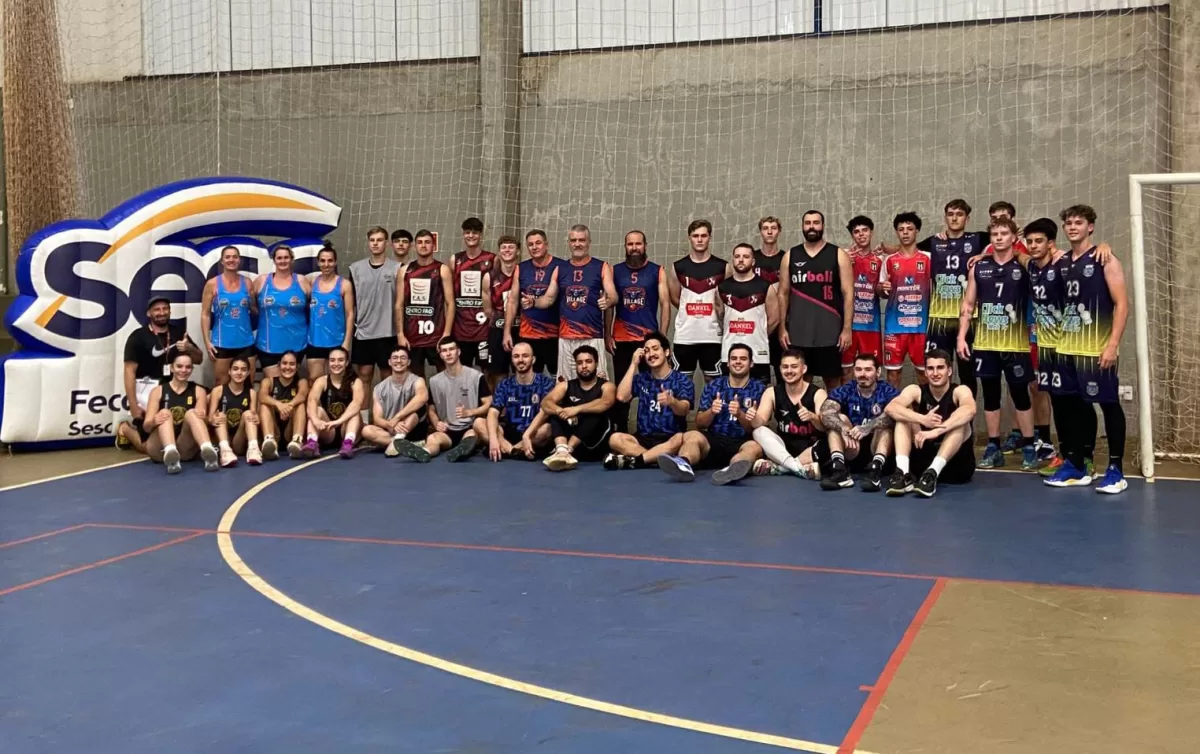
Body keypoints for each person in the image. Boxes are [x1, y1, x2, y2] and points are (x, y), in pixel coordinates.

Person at [1046, 205, 1130, 493]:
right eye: (1068, 223)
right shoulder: (1062, 262)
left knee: (1108, 404)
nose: (1072, 227)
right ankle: (1079, 465)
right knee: (1074, 406)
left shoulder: (1105, 259)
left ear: (1090, 227)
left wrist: (1113, 345)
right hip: (1067, 347)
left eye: (1078, 223)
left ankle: (1116, 470)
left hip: (1096, 347)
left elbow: (1122, 304)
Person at [957, 217, 1036, 469]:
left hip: (1015, 344)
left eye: (1004, 233)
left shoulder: (1025, 266)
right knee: (990, 395)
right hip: (986, 344)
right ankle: (993, 446)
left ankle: (1029, 445)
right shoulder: (979, 267)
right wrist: (961, 337)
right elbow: (968, 304)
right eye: (995, 234)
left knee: (1020, 394)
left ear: (1014, 237)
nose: (999, 238)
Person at [659, 344, 765, 485]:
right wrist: (712, 412)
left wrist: (740, 414)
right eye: (734, 358)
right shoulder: (714, 386)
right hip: (714, 439)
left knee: (755, 447)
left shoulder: (760, 389)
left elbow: (756, 428)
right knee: (691, 435)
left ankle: (732, 470)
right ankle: (684, 464)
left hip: (742, 440)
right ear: (728, 363)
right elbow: (699, 423)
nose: (738, 362)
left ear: (751, 363)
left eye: (743, 359)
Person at [918, 199, 990, 397]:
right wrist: (884, 249)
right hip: (939, 318)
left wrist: (984, 256)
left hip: (968, 318)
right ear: (945, 218)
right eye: (950, 214)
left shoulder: (979, 239)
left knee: (968, 372)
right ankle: (942, 411)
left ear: (967, 219)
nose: (955, 218)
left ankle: (968, 414)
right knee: (938, 370)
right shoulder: (934, 242)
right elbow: (907, 249)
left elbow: (1008, 242)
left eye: (959, 214)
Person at [884, 349, 977, 497]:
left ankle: (933, 472)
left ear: (949, 371)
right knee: (903, 416)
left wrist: (937, 430)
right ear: (925, 372)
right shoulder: (915, 390)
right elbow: (891, 408)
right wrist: (922, 419)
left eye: (940, 368)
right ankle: (903, 473)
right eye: (930, 368)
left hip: (955, 467)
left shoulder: (960, 390)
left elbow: (970, 410)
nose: (935, 373)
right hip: (922, 464)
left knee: (961, 422)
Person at [116, 296, 204, 452]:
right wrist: (133, 405)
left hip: (175, 392)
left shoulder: (179, 333)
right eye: (157, 309)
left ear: (170, 311)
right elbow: (129, 371)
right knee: (148, 447)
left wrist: (190, 348)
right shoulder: (137, 337)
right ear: (149, 313)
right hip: (148, 394)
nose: (162, 313)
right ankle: (125, 429)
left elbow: (198, 359)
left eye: (165, 309)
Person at [779, 210, 854, 390]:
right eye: (808, 223)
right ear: (802, 226)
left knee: (833, 381)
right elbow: (783, 293)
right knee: (801, 381)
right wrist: (782, 327)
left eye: (816, 222)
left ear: (823, 226)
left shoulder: (838, 254)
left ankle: (831, 410)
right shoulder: (790, 255)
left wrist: (847, 329)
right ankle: (803, 411)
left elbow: (849, 293)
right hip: (799, 332)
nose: (811, 227)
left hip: (830, 332)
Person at [537, 224, 617, 380]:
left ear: (589, 242)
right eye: (573, 240)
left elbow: (613, 296)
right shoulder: (560, 268)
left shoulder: (602, 266)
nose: (577, 244)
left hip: (592, 337)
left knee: (598, 384)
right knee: (565, 384)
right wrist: (533, 302)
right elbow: (548, 299)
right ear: (569, 243)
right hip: (566, 337)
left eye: (581, 240)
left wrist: (608, 301)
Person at [607, 230, 669, 431]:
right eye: (630, 244)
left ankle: (652, 428)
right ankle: (620, 430)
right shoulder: (614, 271)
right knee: (622, 388)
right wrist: (607, 334)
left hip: (647, 340)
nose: (634, 248)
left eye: (638, 244)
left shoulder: (657, 271)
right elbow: (609, 305)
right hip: (621, 339)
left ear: (645, 246)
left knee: (651, 386)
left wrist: (662, 336)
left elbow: (665, 304)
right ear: (625, 247)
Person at [605, 332, 694, 470]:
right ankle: (654, 459)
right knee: (615, 439)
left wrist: (672, 402)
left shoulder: (682, 380)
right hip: (644, 438)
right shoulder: (642, 378)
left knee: (681, 439)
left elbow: (684, 410)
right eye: (646, 351)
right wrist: (633, 364)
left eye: (655, 349)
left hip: (670, 438)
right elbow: (622, 397)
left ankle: (640, 460)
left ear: (667, 352)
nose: (651, 354)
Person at [1024, 218, 1068, 475]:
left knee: (1070, 400)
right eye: (1029, 241)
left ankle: (1077, 456)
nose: (1033, 245)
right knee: (1047, 393)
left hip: (1065, 343)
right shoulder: (1031, 266)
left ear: (1051, 243)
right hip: (1042, 343)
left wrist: (1105, 247)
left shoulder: (1065, 264)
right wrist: (981, 256)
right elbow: (1016, 255)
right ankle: (1060, 452)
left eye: (1039, 241)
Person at [819, 353, 899, 491]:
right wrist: (843, 428)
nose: (863, 374)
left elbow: (899, 413)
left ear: (878, 372)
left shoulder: (887, 390)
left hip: (877, 447)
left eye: (868, 370)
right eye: (858, 369)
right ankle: (839, 470)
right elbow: (825, 412)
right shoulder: (847, 389)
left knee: (885, 423)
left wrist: (869, 426)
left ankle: (875, 471)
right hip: (853, 446)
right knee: (837, 420)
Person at [751, 349, 828, 479]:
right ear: (780, 369)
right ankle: (798, 468)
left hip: (811, 448)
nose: (789, 371)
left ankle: (780, 468)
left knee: (831, 442)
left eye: (794, 366)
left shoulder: (818, 393)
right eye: (785, 367)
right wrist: (752, 417)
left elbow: (824, 427)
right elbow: (759, 423)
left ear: (804, 369)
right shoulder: (771, 392)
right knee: (758, 431)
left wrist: (812, 417)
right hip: (783, 449)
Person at [541, 345, 617, 471]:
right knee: (556, 410)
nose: (584, 366)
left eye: (588, 361)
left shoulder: (607, 385)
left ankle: (567, 451)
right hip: (571, 439)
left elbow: (606, 402)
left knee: (594, 412)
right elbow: (546, 403)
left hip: (595, 444)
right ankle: (561, 450)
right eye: (580, 363)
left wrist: (577, 409)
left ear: (596, 363)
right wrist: (561, 411)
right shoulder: (566, 385)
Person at [669, 219, 726, 384]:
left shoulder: (723, 267)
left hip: (712, 336)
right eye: (695, 236)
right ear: (689, 238)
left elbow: (726, 299)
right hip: (685, 335)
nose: (699, 240)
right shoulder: (678, 267)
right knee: (682, 383)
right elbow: (675, 298)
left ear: (710, 237)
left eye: (703, 236)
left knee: (714, 382)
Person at [142, 352, 219, 474]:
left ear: (192, 369)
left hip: (184, 448)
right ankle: (170, 451)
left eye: (188, 367)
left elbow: (202, 420)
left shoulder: (199, 391)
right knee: (165, 413)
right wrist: (154, 421)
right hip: (159, 448)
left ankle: (208, 450)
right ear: (171, 368)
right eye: (179, 366)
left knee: (192, 413)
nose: (183, 370)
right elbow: (146, 427)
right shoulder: (157, 391)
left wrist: (204, 418)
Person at [880, 212, 932, 388]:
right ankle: (895, 406)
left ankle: (925, 404)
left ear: (917, 231)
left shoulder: (928, 258)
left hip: (921, 327)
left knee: (924, 373)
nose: (905, 232)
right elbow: (880, 290)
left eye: (909, 229)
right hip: (894, 326)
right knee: (893, 373)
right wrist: (883, 288)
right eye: (901, 229)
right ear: (897, 232)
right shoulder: (889, 260)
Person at [396, 229, 455, 376]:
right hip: (412, 336)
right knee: (416, 378)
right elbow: (399, 304)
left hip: (436, 336)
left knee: (445, 376)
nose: (423, 245)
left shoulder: (442, 269)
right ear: (414, 246)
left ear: (433, 246)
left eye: (427, 242)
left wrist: (446, 334)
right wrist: (400, 334)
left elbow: (450, 303)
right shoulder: (405, 271)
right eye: (420, 242)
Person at [425, 337, 493, 461]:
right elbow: (431, 408)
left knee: (471, 436)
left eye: (451, 349)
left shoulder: (476, 376)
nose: (448, 353)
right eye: (444, 350)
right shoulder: (434, 381)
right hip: (447, 429)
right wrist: (436, 423)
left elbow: (489, 403)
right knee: (432, 439)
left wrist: (470, 412)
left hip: (469, 427)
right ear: (440, 355)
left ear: (459, 351)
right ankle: (425, 452)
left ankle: (462, 450)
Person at [486, 342, 556, 461]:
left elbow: (544, 412)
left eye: (525, 356)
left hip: (533, 432)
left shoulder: (546, 383)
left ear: (533, 359)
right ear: (512, 360)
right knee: (479, 423)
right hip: (510, 432)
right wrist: (493, 439)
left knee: (547, 429)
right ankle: (513, 451)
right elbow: (493, 412)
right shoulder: (505, 384)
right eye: (516, 356)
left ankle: (508, 450)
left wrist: (527, 435)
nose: (520, 360)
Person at [717, 243, 777, 383]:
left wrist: (760, 333)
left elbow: (774, 319)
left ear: (753, 261)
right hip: (729, 354)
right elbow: (720, 316)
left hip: (759, 353)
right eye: (737, 256)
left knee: (761, 393)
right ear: (733, 260)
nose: (741, 260)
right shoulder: (722, 287)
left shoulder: (765, 286)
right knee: (730, 393)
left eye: (745, 256)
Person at [505, 229, 562, 376]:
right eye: (530, 244)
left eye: (538, 243)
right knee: (529, 379)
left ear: (546, 244)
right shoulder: (521, 268)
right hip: (528, 335)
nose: (534, 247)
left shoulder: (560, 266)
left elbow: (551, 299)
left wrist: (534, 302)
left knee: (557, 379)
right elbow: (512, 301)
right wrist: (506, 332)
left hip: (555, 335)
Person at [348, 226, 400, 384]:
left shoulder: (397, 268)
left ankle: (385, 403)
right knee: (364, 374)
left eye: (379, 240)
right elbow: (351, 304)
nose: (375, 243)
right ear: (368, 243)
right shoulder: (355, 268)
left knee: (387, 375)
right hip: (364, 331)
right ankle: (364, 403)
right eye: (372, 240)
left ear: (387, 243)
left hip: (388, 332)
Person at [361, 345, 430, 459]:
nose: (399, 361)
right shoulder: (379, 388)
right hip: (392, 429)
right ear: (389, 362)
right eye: (395, 358)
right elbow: (377, 419)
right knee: (366, 430)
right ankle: (401, 443)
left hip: (413, 429)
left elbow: (423, 397)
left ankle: (398, 440)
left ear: (408, 362)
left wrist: (397, 417)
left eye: (403, 358)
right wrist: (389, 424)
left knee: (418, 409)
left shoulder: (417, 380)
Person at [200, 245, 256, 387]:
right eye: (228, 257)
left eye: (235, 257)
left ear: (239, 260)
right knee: (221, 383)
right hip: (222, 342)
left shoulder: (247, 283)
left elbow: (255, 309)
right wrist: (207, 342)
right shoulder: (212, 284)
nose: (231, 260)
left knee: (248, 383)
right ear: (222, 261)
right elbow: (205, 314)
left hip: (246, 341)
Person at [254, 244, 311, 378]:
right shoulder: (262, 281)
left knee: (290, 384)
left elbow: (310, 305)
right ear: (274, 260)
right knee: (273, 384)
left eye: (286, 257)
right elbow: (252, 304)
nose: (283, 261)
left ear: (291, 259)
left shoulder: (302, 281)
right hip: (269, 343)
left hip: (297, 342)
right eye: (279, 258)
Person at [302, 346, 364, 459]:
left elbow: (357, 403)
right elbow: (311, 401)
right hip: (329, 430)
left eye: (340, 360)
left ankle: (348, 443)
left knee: (355, 413)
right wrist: (316, 420)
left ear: (347, 363)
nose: (336, 364)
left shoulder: (355, 381)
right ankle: (312, 442)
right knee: (317, 410)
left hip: (346, 427)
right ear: (328, 362)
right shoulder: (321, 381)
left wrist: (339, 421)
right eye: (332, 360)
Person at [306, 242, 355, 380]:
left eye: (330, 261)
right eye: (322, 261)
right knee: (314, 380)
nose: (326, 264)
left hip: (336, 341)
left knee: (336, 381)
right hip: (315, 340)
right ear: (318, 262)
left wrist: (347, 342)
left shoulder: (344, 284)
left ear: (335, 262)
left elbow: (350, 314)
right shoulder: (312, 283)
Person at [843, 216, 884, 381]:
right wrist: (844, 263)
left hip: (870, 325)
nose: (861, 234)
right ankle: (846, 399)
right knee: (846, 371)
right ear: (852, 236)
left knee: (871, 370)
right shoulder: (843, 258)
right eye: (856, 232)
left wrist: (883, 288)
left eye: (865, 230)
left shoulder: (880, 260)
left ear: (871, 233)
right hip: (848, 326)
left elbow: (882, 292)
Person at [451, 217, 495, 368]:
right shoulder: (455, 259)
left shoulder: (492, 259)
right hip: (461, 329)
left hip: (484, 328)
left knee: (488, 370)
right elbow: (449, 295)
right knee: (463, 371)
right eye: (467, 232)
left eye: (475, 232)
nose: (471, 235)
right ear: (463, 234)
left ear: (481, 235)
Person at [207, 356, 262, 467]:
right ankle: (225, 451)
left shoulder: (251, 393)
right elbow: (210, 418)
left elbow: (254, 417)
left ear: (248, 373)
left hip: (239, 440)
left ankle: (253, 448)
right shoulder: (218, 390)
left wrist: (256, 419)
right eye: (235, 369)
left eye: (243, 370)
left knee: (249, 414)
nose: (239, 373)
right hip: (221, 437)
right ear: (229, 371)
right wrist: (213, 419)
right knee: (220, 415)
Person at [257, 350, 309, 460]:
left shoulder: (301, 382)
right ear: (279, 365)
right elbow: (262, 396)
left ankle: (297, 440)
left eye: (292, 364)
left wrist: (288, 406)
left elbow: (302, 395)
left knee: (300, 405)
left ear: (297, 366)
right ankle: (269, 439)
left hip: (290, 430)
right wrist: (278, 404)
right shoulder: (268, 381)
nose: (288, 367)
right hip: (274, 429)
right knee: (264, 405)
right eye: (284, 363)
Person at [485, 235, 521, 389]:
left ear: (518, 251)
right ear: (499, 252)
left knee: (522, 370)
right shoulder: (489, 277)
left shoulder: (524, 273)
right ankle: (500, 403)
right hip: (497, 330)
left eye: (511, 247)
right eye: (504, 247)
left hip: (521, 330)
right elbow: (488, 310)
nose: (507, 250)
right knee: (498, 373)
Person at [752, 216, 786, 380]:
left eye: (773, 228)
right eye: (765, 228)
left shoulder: (786, 258)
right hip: (756, 322)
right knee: (758, 375)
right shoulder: (751, 258)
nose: (770, 231)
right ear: (760, 232)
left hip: (781, 324)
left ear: (779, 231)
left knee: (783, 372)